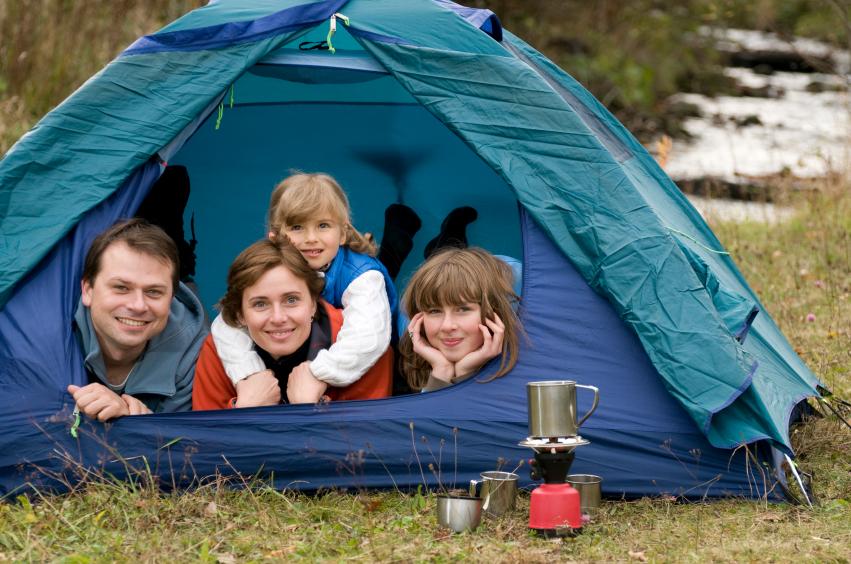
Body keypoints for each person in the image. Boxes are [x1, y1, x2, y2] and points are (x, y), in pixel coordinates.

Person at [209, 172, 398, 395]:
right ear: (275, 237)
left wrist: (318, 372)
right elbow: (228, 322)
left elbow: (367, 337)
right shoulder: (269, 267)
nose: (310, 238)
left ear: (343, 234)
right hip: (308, 342)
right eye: (297, 227)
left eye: (323, 225)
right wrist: (249, 374)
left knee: (388, 272)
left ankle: (398, 237)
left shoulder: (362, 277)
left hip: (378, 356)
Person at [192, 239, 393, 409]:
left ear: (313, 303)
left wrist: (313, 409)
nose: (278, 318)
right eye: (260, 304)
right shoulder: (218, 350)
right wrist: (244, 408)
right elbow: (203, 447)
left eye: (291, 300)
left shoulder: (362, 348)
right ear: (240, 313)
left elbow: (367, 446)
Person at [68, 219, 208, 421]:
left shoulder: (195, 352)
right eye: (121, 288)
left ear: (171, 298)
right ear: (88, 290)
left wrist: (138, 423)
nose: (138, 305)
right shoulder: (53, 330)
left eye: (153, 292)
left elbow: (183, 444)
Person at [399, 247, 521, 392]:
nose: (447, 326)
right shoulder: (410, 369)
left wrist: (465, 373)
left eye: (463, 309)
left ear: (495, 314)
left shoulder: (524, 376)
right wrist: (441, 372)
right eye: (434, 311)